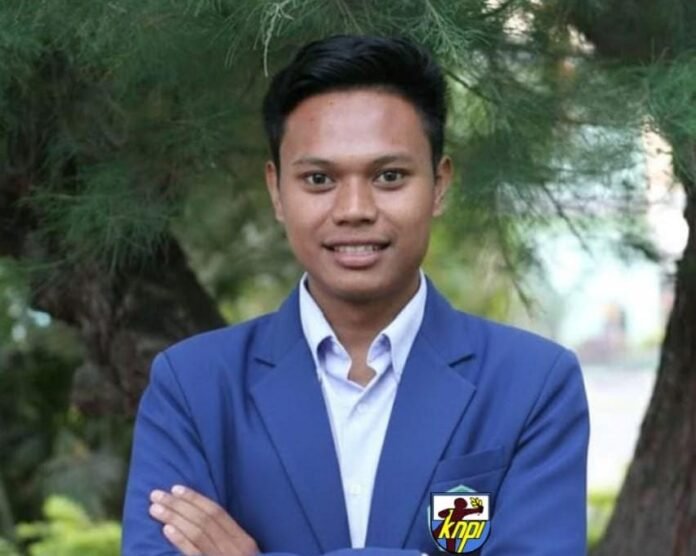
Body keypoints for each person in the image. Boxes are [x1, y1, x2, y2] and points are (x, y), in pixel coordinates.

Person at [122, 35, 589, 555]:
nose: (354, 210)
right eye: (319, 179)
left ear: (439, 184)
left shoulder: (532, 383)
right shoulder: (193, 386)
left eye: (389, 176)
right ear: (277, 191)